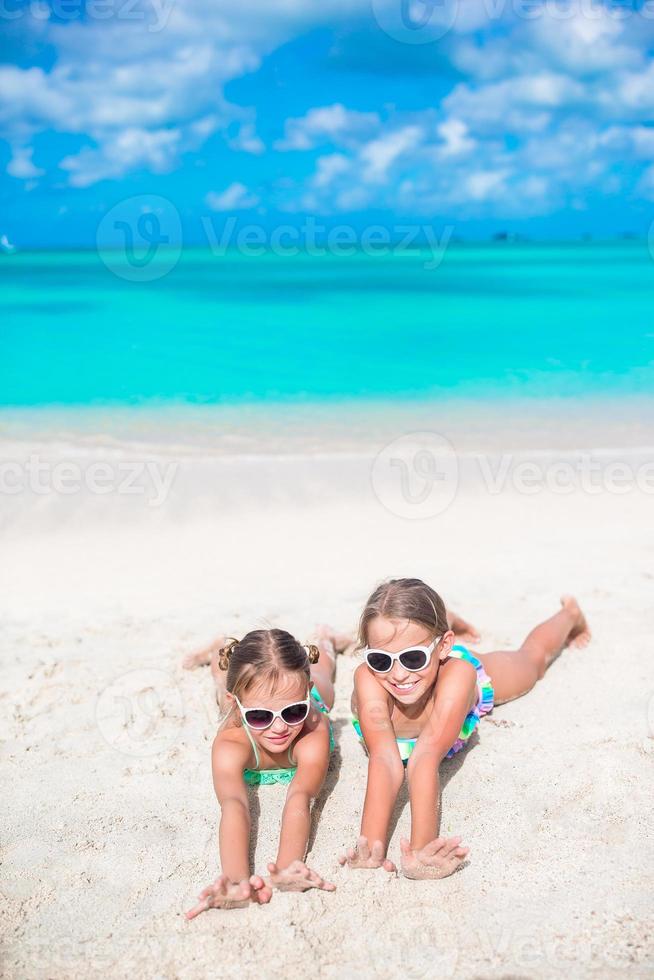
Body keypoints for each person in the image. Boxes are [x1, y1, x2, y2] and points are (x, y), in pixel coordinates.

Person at [339, 578, 590, 880]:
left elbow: (425, 757)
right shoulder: (369, 679)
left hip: (453, 689)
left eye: (413, 657)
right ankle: (442, 625)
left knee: (532, 661)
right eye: (380, 659)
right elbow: (385, 758)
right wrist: (371, 846)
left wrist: (422, 850)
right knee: (403, 656)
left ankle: (570, 615)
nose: (399, 674)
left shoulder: (457, 673)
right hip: (433, 661)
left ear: (444, 646)